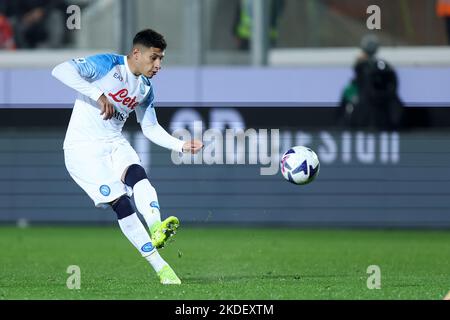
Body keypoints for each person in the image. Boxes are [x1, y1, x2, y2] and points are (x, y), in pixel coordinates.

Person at [52, 29, 203, 285]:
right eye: (154, 58)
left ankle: (157, 228)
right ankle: (162, 268)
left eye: (161, 59)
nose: (158, 65)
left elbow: (150, 127)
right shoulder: (107, 65)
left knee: (137, 175)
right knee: (122, 203)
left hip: (113, 142)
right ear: (136, 53)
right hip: (83, 149)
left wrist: (180, 145)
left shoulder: (145, 88)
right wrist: (98, 95)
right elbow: (60, 70)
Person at [338, 34, 404, 130]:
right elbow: (342, 119)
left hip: (382, 126)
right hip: (363, 127)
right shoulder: (352, 90)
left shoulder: (390, 95)